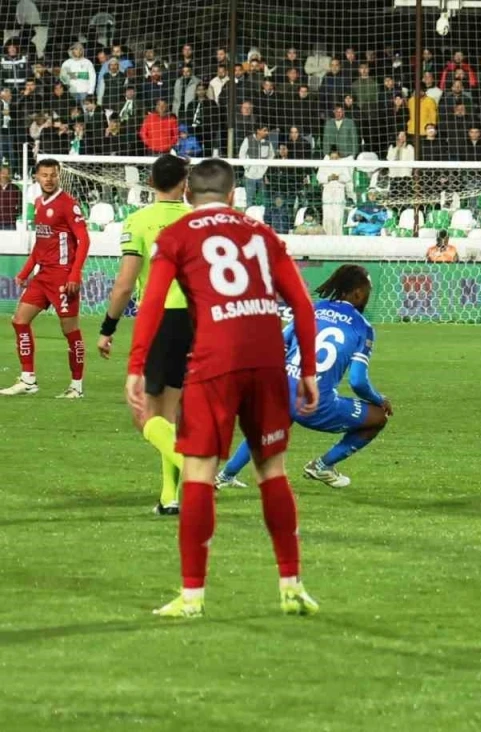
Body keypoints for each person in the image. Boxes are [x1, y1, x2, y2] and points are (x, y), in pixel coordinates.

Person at [126, 158, 322, 618]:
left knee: (198, 473)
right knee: (272, 471)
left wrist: (136, 365)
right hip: (267, 361)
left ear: (188, 195)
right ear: (233, 195)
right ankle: (291, 586)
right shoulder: (262, 233)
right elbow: (302, 305)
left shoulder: (176, 235)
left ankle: (192, 597)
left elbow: (152, 303)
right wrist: (309, 371)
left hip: (214, 362)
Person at [216, 265, 391, 490]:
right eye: (368, 291)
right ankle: (323, 466)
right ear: (357, 293)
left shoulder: (312, 309)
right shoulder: (362, 327)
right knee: (378, 417)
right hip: (315, 405)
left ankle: (224, 476)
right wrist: (379, 399)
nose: (368, 296)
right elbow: (358, 381)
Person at [97, 154, 192, 515]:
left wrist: (108, 327)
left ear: (151, 183)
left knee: (146, 415)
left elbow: (124, 284)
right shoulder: (199, 221)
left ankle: (193, 468)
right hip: (200, 321)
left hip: (162, 319)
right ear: (185, 183)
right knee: (173, 413)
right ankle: (169, 498)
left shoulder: (138, 221)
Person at [2, 159, 90, 398]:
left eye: (53, 175)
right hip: (43, 276)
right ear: (36, 177)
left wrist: (75, 273)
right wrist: (24, 272)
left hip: (63, 277)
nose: (49, 179)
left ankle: (76, 386)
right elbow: (40, 246)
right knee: (20, 320)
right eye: (44, 175)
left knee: (70, 330)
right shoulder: (39, 203)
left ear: (59, 176)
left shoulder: (68, 204)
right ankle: (28, 379)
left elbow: (84, 240)